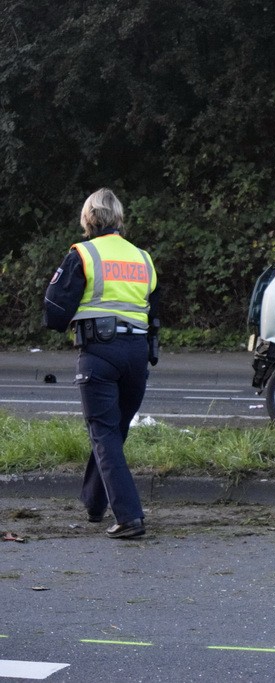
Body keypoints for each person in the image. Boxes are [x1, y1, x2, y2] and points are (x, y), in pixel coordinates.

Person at [43, 188, 160, 540]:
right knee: (113, 431)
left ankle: (129, 517)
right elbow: (154, 312)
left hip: (99, 353)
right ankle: (94, 504)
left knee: (105, 434)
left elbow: (54, 311)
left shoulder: (83, 253)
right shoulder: (143, 258)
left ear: (88, 218)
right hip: (137, 354)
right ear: (119, 218)